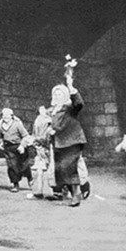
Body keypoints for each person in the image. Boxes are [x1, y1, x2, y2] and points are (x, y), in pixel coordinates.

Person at [49, 72, 86, 207]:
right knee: (60, 169)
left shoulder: (70, 108)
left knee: (68, 167)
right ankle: (77, 188)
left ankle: (76, 194)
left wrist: (71, 86)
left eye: (60, 94)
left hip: (72, 142)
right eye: (55, 95)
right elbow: (55, 126)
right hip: (59, 143)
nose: (57, 97)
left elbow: (79, 103)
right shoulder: (53, 110)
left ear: (65, 96)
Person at [0, 108, 34, 193]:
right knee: (11, 166)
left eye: (7, 115)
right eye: (4, 115)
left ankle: (29, 177)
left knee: (22, 165)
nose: (5, 117)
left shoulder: (17, 124)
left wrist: (22, 146)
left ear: (11, 116)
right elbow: (1, 135)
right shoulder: (0, 124)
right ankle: (15, 184)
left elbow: (26, 136)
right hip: (8, 148)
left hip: (18, 147)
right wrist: (1, 143)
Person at [30, 106, 53, 198]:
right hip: (43, 146)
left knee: (44, 169)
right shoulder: (40, 120)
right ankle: (40, 190)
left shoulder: (44, 120)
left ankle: (41, 190)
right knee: (42, 168)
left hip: (43, 146)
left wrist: (36, 140)